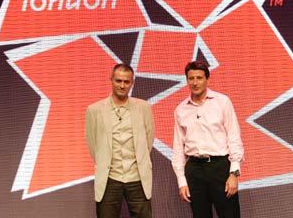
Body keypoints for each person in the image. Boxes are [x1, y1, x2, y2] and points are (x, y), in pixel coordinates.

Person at [172, 61, 244, 218]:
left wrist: (234, 174)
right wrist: (182, 181)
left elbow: (234, 137)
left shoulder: (222, 102)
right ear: (187, 80)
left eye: (199, 78)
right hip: (194, 170)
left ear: (207, 79)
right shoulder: (181, 109)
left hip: (220, 168)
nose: (195, 82)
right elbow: (178, 147)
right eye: (191, 78)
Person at [85, 63, 155, 218]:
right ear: (111, 80)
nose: (122, 85)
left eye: (126, 82)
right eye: (118, 81)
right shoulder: (94, 110)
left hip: (137, 177)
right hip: (110, 178)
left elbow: (148, 139)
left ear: (132, 83)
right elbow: (92, 144)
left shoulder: (144, 108)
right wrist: (104, 161)